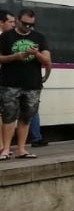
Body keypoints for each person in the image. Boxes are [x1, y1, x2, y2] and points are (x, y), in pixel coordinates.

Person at [0, 9, 51, 159]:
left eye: (31, 25)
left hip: (32, 84)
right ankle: (6, 149)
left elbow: (47, 60)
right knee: (8, 116)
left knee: (26, 117)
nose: (28, 27)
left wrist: (36, 54)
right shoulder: (6, 37)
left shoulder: (39, 37)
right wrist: (16, 56)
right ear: (17, 20)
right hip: (9, 83)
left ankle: (21, 149)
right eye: (25, 24)